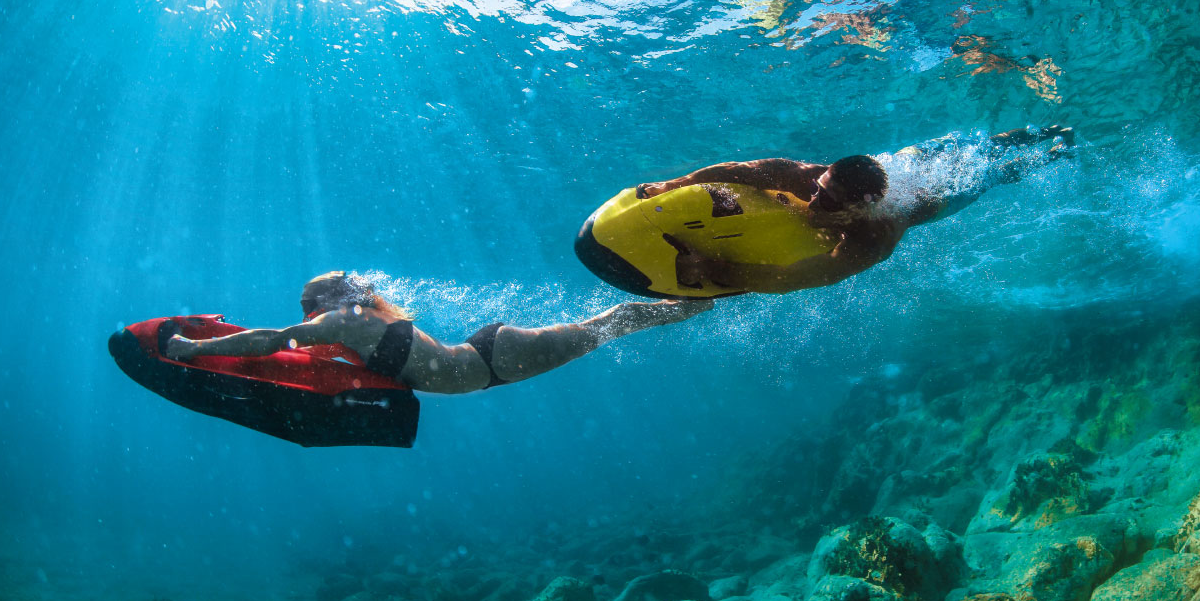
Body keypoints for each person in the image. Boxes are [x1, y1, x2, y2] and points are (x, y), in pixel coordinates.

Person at [637, 125, 1074, 294]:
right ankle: (1021, 135)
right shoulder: (807, 175)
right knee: (954, 145)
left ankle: (1046, 148)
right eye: (818, 188)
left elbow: (805, 277)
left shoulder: (876, 235)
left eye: (826, 201)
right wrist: (673, 185)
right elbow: (739, 171)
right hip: (901, 162)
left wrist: (719, 269)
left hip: (940, 196)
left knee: (987, 174)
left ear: (857, 208)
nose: (812, 200)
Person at [164, 271, 711, 393]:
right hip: (489, 357)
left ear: (328, 303)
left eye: (307, 304)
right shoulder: (355, 325)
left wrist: (196, 347)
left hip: (496, 359)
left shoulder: (344, 322)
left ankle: (692, 298)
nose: (303, 313)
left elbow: (267, 340)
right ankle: (685, 299)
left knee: (609, 327)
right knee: (605, 328)